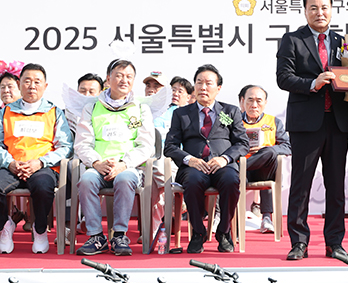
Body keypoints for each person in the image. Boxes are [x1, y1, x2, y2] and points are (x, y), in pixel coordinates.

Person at [276, 0, 348, 261]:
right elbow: (283, 77)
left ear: (331, 10)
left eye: (324, 7)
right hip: (305, 125)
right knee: (301, 187)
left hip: (338, 123)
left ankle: (335, 243)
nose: (319, 12)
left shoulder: (344, 42)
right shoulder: (292, 40)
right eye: (313, 7)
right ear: (305, 11)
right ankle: (299, 242)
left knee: (336, 187)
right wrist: (313, 83)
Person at [163, 64, 249, 254]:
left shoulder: (230, 111)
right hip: (194, 167)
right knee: (192, 181)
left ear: (218, 88)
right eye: (199, 82)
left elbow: (243, 143)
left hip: (222, 166)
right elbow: (170, 146)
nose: (203, 87)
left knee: (231, 180)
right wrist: (189, 160)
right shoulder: (181, 113)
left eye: (208, 83)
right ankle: (197, 232)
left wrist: (225, 158)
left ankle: (224, 231)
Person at [75, 59, 156, 256]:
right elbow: (82, 143)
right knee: (86, 180)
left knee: (125, 179)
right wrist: (96, 162)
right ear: (108, 79)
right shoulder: (92, 108)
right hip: (98, 166)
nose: (124, 80)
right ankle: (96, 237)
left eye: (129, 77)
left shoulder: (141, 109)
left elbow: (146, 145)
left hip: (128, 167)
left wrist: (124, 163)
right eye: (119, 75)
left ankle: (119, 235)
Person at [0, 64, 73, 254]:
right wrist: (10, 163)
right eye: (27, 81)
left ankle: (40, 229)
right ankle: (5, 225)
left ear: (45, 86)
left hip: (42, 167)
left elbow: (66, 147)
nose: (32, 86)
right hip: (12, 165)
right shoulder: (6, 112)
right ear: (19, 84)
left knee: (43, 187)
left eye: (37, 82)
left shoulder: (54, 112)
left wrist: (40, 162)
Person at [238, 84, 291, 234]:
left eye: (259, 101)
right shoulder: (234, 121)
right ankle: (232, 220)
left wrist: (265, 151)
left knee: (270, 153)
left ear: (265, 103)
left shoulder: (274, 122)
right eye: (250, 100)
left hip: (262, 170)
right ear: (242, 101)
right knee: (231, 173)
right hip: (241, 171)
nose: (254, 105)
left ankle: (266, 217)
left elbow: (288, 146)